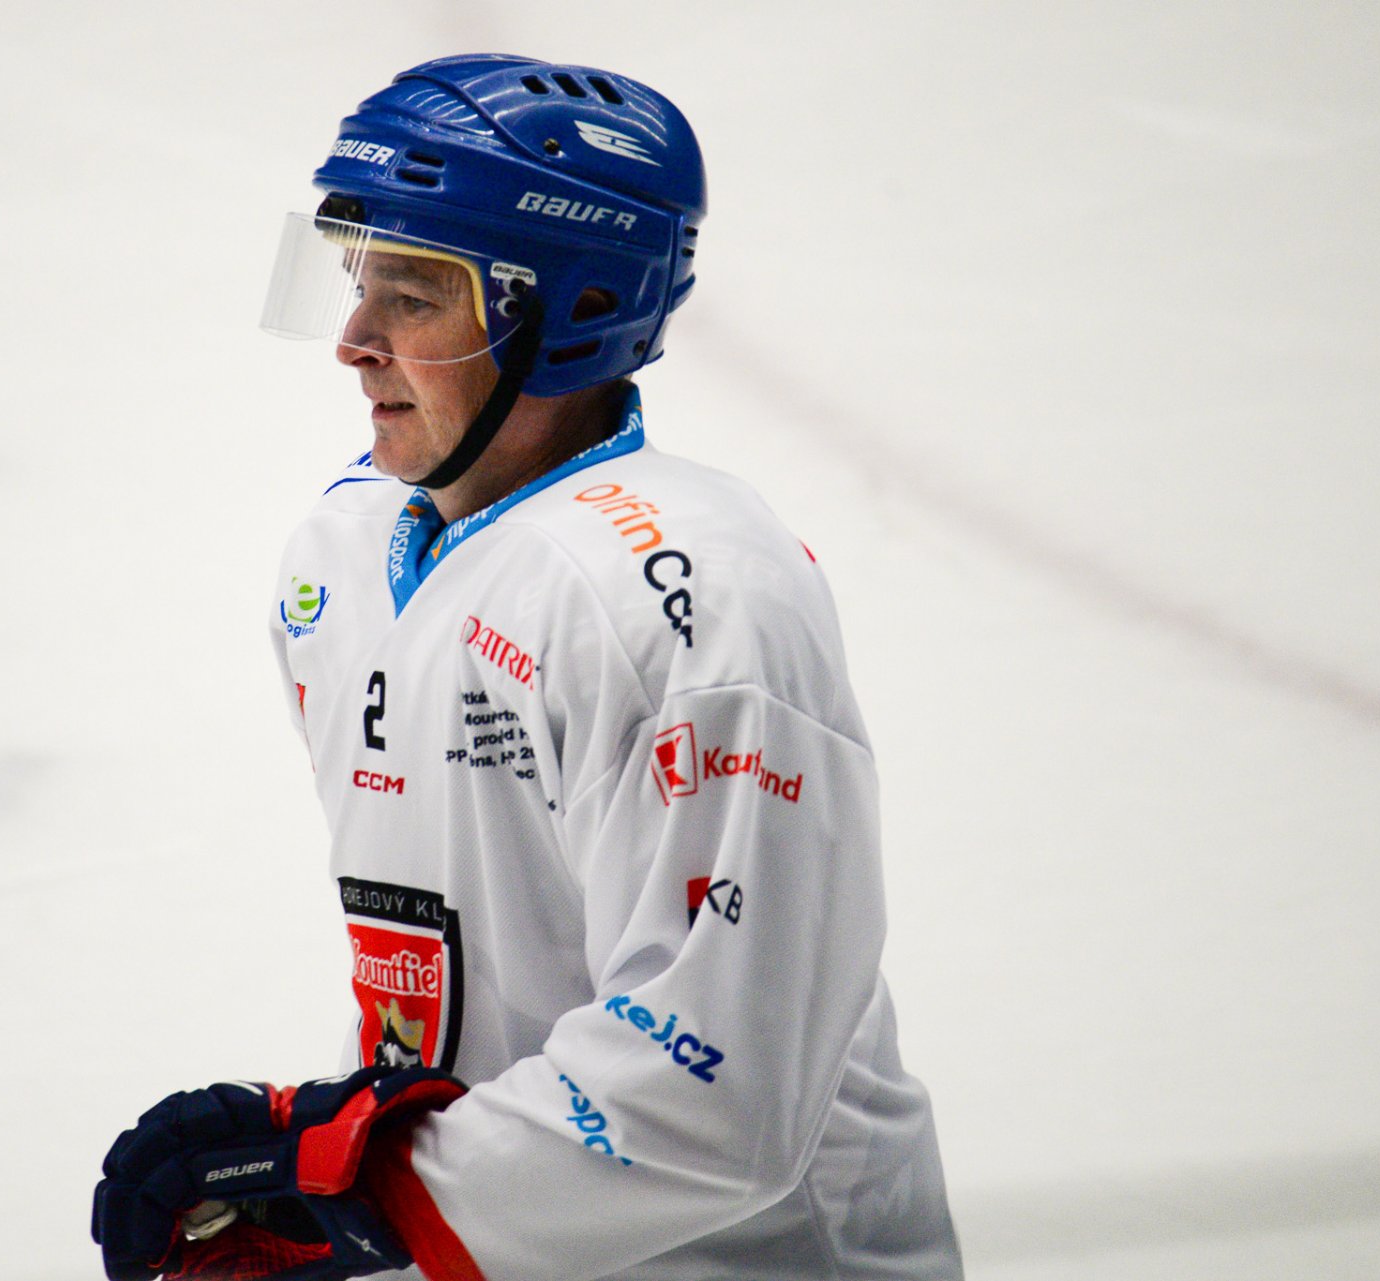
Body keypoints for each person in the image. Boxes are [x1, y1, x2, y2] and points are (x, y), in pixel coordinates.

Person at [94, 54, 963, 1281]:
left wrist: (359, 1200)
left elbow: (717, 1096)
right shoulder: (338, 562)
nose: (353, 342)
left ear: (574, 311)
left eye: (412, 296)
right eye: (356, 282)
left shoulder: (696, 601)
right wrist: (337, 1162)